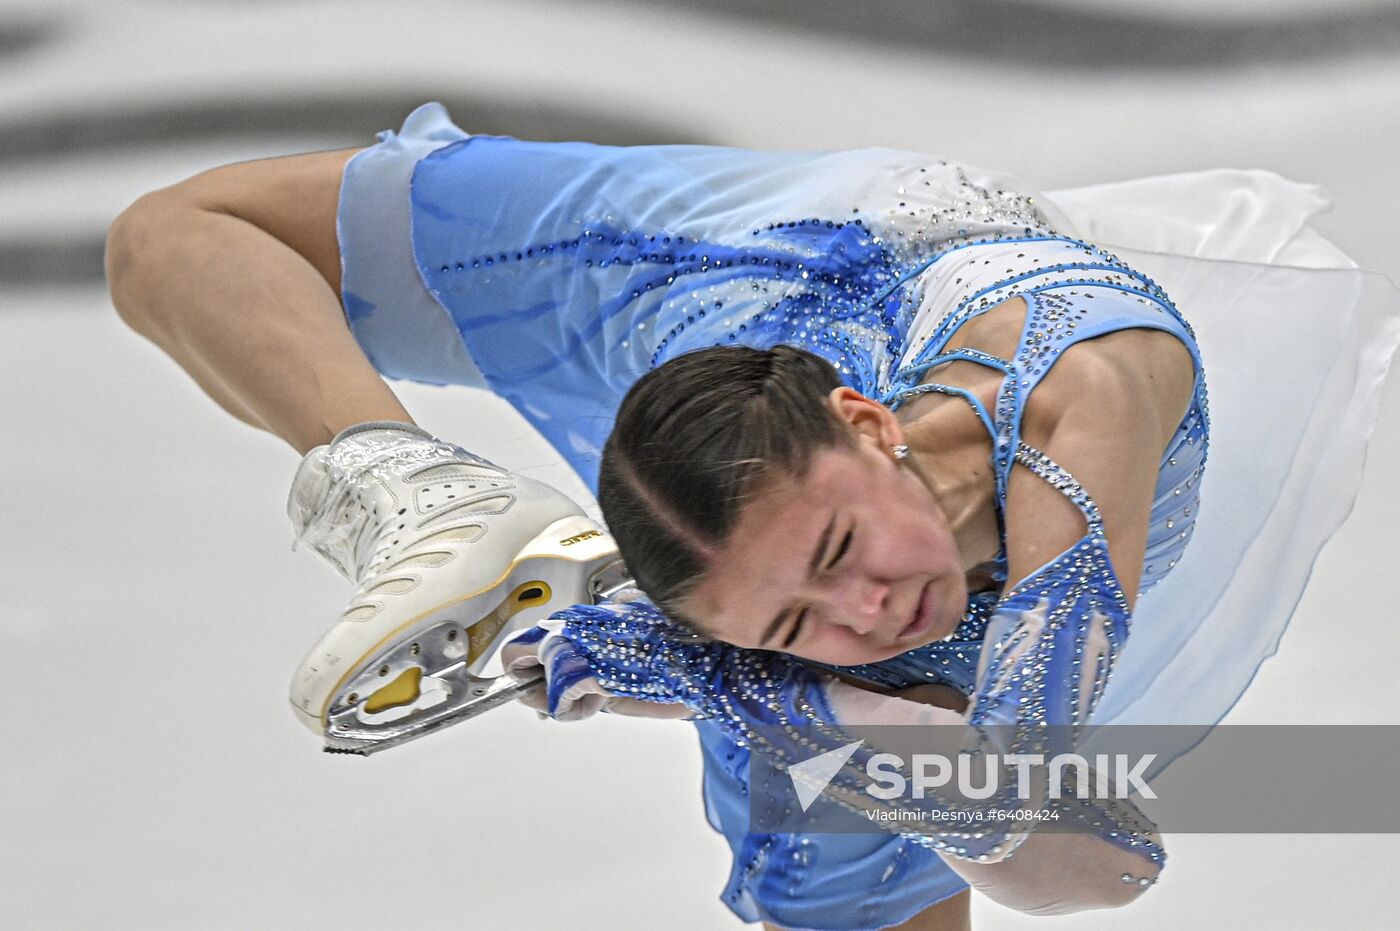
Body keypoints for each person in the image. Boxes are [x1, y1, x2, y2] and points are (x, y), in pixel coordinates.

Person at [104, 102, 1400, 930]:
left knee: (948, 793)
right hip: (687, 363)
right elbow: (182, 241)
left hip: (776, 254)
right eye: (792, 622)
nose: (870, 612)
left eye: (841, 550)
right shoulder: (795, 604)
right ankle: (422, 492)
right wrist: (775, 678)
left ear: (871, 423)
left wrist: (757, 691)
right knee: (171, 235)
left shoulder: (1080, 393)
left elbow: (1096, 867)